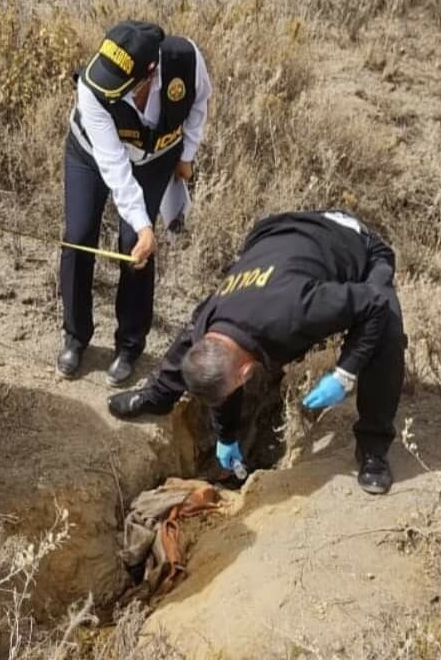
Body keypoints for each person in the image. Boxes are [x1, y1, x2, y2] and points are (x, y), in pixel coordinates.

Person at [108, 210, 406, 494]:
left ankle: (373, 448)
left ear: (247, 373)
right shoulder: (207, 320)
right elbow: (211, 369)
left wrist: (344, 374)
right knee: (213, 368)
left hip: (356, 245)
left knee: (387, 332)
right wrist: (225, 434)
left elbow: (375, 302)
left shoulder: (298, 312)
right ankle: (158, 398)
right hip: (276, 234)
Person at [58, 20, 212, 386]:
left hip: (154, 158)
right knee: (78, 236)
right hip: (91, 156)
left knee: (134, 248)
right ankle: (75, 336)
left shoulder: (185, 59)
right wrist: (145, 224)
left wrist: (187, 153)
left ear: (150, 72)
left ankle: (129, 346)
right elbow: (114, 168)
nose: (109, 91)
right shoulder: (92, 90)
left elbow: (199, 101)